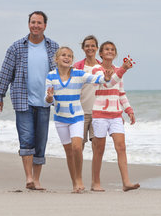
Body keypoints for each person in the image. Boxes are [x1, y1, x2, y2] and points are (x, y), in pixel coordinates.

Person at [45, 46, 132, 193]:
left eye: (70, 56)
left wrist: (106, 78)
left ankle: (79, 179)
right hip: (60, 118)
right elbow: (47, 99)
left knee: (77, 147)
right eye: (64, 55)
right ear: (57, 59)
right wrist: (49, 97)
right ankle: (75, 183)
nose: (67, 58)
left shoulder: (79, 74)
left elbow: (97, 79)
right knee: (69, 152)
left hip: (77, 117)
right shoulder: (51, 76)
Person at [0, 11, 58, 190]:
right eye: (33, 22)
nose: (35, 25)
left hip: (45, 101)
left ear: (45, 25)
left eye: (39, 23)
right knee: (26, 139)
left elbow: (62, 74)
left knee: (40, 142)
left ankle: (36, 180)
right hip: (23, 100)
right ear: (29, 24)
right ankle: (28, 177)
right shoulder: (16, 47)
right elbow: (6, 72)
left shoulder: (53, 47)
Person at [91, 41, 140, 192]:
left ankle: (126, 182)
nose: (109, 51)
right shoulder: (96, 69)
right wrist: (123, 70)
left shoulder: (118, 70)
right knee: (99, 149)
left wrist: (129, 110)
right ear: (100, 53)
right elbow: (107, 83)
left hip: (115, 115)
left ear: (115, 53)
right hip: (99, 115)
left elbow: (120, 93)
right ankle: (95, 182)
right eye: (106, 49)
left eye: (112, 49)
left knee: (121, 147)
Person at [73, 35, 101, 149]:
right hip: (81, 113)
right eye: (87, 46)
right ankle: (77, 168)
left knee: (97, 147)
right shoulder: (77, 67)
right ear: (83, 48)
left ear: (97, 48)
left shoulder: (102, 67)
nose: (90, 48)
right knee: (78, 147)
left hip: (98, 113)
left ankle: (95, 168)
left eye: (93, 46)